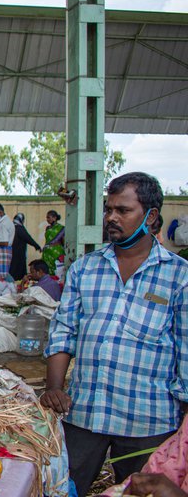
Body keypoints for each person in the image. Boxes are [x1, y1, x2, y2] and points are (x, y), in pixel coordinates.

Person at [41, 172, 188, 496]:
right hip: (84, 413)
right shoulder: (85, 268)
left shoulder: (179, 275)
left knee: (144, 491)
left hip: (149, 421)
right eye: (108, 209)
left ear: (150, 217)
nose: (111, 218)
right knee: (62, 487)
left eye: (123, 210)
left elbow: (187, 352)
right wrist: (54, 387)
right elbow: (64, 330)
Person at [11, 213, 42, 281]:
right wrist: (36, 246)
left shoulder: (11, 227)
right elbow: (27, 238)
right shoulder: (19, 228)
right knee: (18, 270)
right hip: (18, 254)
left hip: (11, 253)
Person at [42, 210, 65, 275]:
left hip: (56, 252)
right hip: (47, 253)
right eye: (47, 218)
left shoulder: (61, 228)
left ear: (54, 218)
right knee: (46, 269)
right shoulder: (47, 228)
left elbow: (63, 240)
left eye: (49, 217)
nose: (47, 219)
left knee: (56, 269)